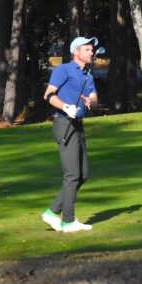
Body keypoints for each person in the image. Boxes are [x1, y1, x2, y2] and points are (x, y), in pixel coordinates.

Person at [40, 36, 99, 232]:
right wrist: (65, 106)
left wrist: (90, 102)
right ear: (76, 52)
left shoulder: (88, 76)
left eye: (92, 50)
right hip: (64, 123)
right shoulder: (63, 69)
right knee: (72, 174)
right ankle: (68, 220)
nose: (91, 52)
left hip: (78, 125)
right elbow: (48, 94)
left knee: (82, 175)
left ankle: (51, 212)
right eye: (87, 50)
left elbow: (94, 97)